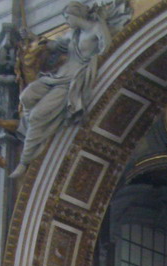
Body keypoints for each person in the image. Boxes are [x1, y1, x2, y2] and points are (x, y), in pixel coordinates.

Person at [11, 0, 132, 179]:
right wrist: (31, 36)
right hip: (57, 76)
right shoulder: (73, 34)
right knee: (26, 97)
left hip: (73, 80)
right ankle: (34, 129)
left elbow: (106, 48)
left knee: (38, 115)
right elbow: (54, 45)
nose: (66, 22)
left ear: (76, 16)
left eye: (67, 18)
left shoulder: (96, 29)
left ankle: (25, 160)